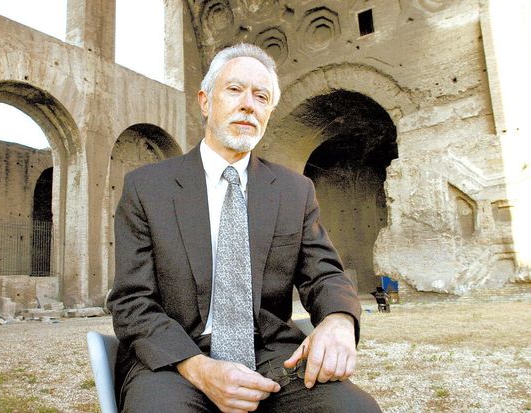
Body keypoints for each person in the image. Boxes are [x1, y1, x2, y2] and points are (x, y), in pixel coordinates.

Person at [108, 43, 381, 413]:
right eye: (234, 90)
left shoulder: (294, 190)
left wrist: (339, 319)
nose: (248, 104)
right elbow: (131, 301)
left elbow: (324, 275)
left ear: (268, 111)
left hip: (271, 356)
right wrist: (199, 368)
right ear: (205, 101)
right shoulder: (146, 187)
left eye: (261, 96)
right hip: (174, 361)